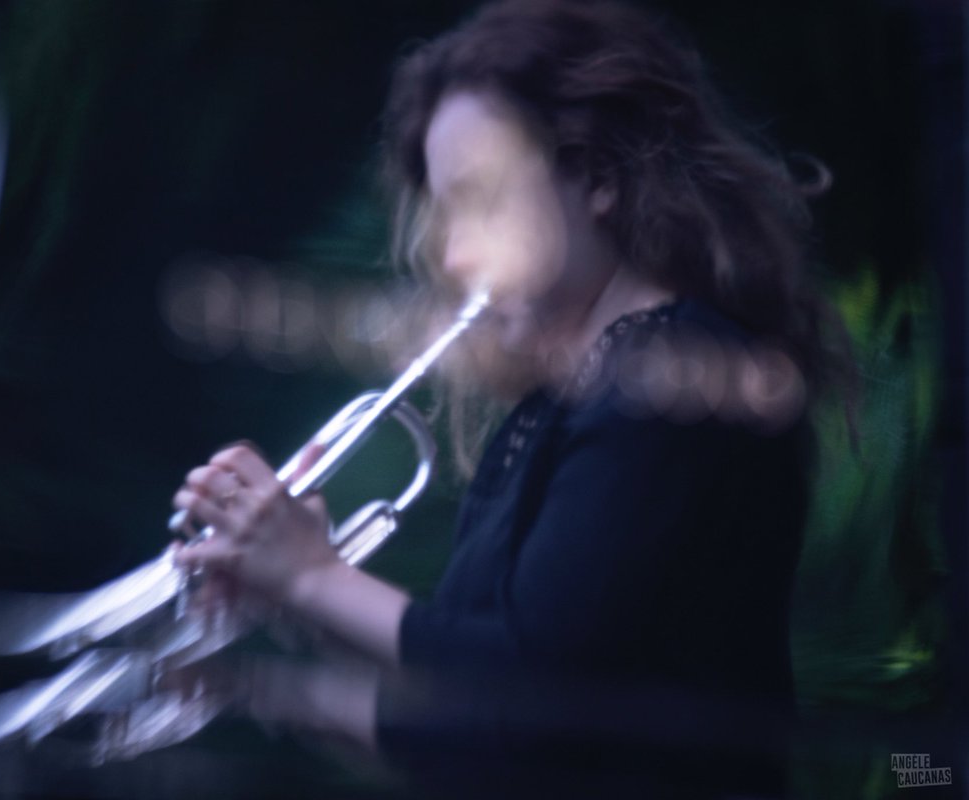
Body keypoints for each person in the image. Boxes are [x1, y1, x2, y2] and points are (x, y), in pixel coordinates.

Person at [172, 0, 851, 795]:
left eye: (484, 198)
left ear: (598, 176)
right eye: (444, 215)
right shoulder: (563, 403)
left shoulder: (672, 378)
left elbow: (526, 688)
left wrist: (313, 576)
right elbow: (482, 741)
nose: (454, 255)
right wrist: (259, 660)